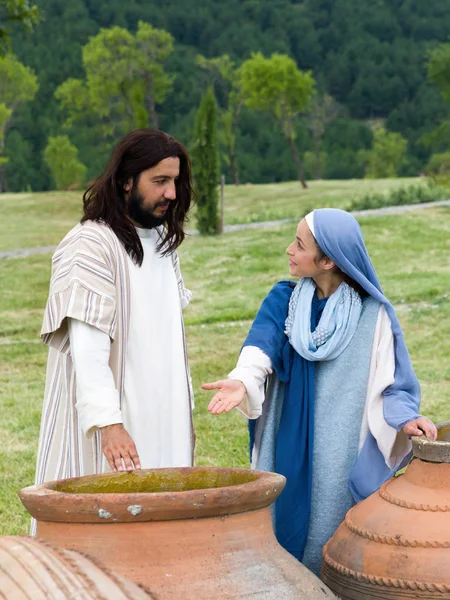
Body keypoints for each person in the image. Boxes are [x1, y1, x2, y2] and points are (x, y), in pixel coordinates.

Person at [202, 208, 437, 576]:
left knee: (335, 523)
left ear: (327, 260)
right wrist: (242, 380)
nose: (288, 251)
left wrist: (407, 419)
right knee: (284, 518)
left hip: (343, 440)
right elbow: (260, 346)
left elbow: (392, 382)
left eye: (299, 244)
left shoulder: (373, 315)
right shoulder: (286, 300)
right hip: (288, 435)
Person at [35, 128, 195, 496]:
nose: (171, 193)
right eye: (159, 181)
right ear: (126, 181)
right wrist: (110, 425)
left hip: (161, 411)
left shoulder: (162, 243)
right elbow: (88, 349)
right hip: (113, 422)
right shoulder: (89, 244)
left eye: (174, 181)